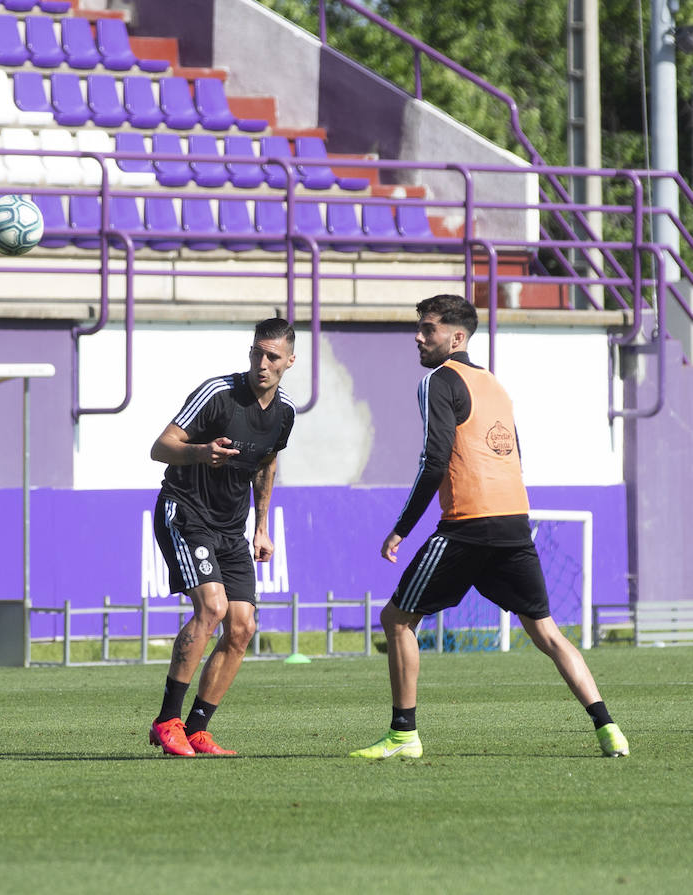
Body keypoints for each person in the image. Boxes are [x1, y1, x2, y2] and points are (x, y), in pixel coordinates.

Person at [351, 294, 629, 759]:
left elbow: (433, 461)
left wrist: (402, 528)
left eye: (429, 329)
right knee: (547, 632)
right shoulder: (494, 385)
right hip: (513, 521)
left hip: (467, 523)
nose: (418, 338)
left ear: (456, 337)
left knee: (397, 618)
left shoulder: (438, 381)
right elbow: (512, 452)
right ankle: (609, 728)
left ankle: (403, 736)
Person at [148, 317, 297, 756]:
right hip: (185, 512)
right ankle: (166, 720)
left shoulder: (284, 414)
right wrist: (200, 451)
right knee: (211, 608)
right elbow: (160, 446)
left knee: (242, 626)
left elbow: (267, 462)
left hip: (231, 528)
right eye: (257, 353)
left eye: (272, 356)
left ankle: (197, 728)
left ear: (290, 360)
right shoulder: (218, 394)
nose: (262, 363)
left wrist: (263, 527)